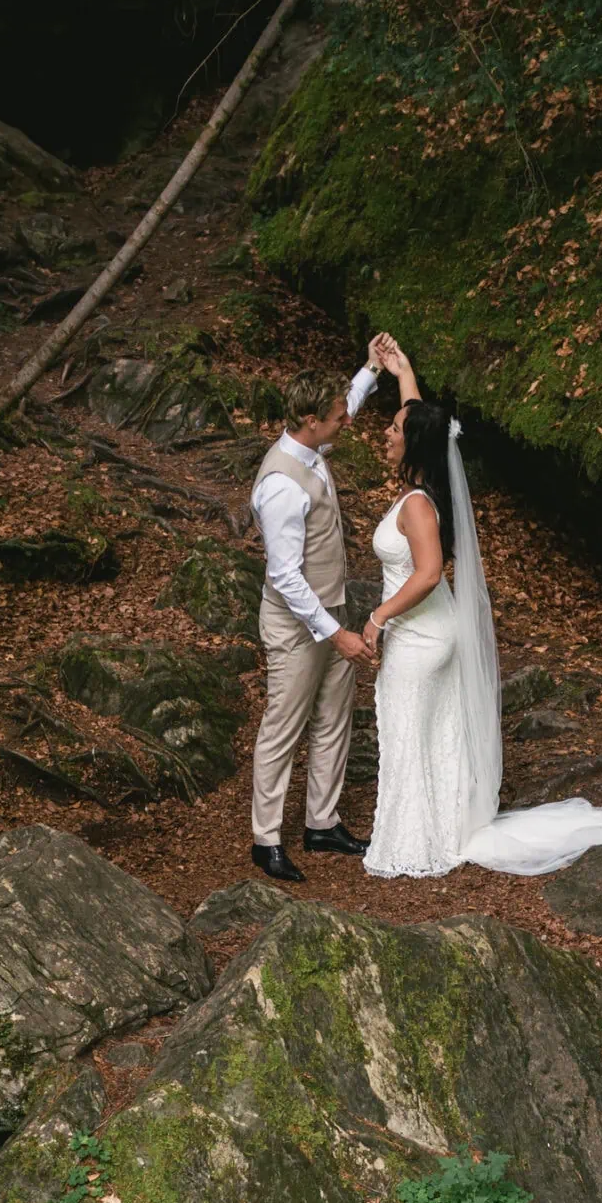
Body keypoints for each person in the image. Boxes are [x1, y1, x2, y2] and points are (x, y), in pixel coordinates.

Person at [361, 332, 602, 879]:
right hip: (430, 632)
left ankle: (413, 843)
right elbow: (418, 417)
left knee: (410, 729)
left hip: (422, 637)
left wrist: (378, 617)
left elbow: (428, 574)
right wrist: (402, 370)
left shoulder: (419, 508)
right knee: (429, 729)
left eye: (394, 430)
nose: (386, 432)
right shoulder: (424, 477)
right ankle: (437, 825)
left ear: (415, 446)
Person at [247, 366, 379, 884]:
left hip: (331, 616)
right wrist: (337, 632)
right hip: (298, 625)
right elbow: (284, 577)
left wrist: (369, 369)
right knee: (283, 729)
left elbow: (344, 402)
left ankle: (321, 822)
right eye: (338, 416)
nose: (348, 420)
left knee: (332, 719)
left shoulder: (311, 448)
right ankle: (267, 840)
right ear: (309, 421)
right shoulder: (282, 483)